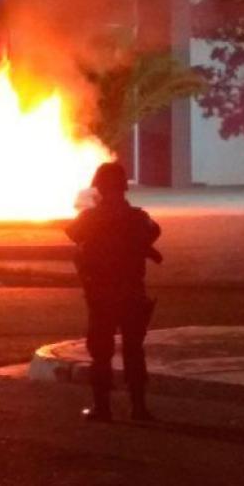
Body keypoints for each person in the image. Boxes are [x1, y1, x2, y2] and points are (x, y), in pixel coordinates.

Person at [66, 162, 161, 422]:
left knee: (101, 351)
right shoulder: (139, 218)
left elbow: (73, 234)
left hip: (101, 294)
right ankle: (139, 407)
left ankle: (102, 407)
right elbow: (154, 232)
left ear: (99, 187)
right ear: (123, 187)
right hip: (131, 292)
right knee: (133, 349)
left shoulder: (89, 219)